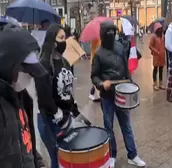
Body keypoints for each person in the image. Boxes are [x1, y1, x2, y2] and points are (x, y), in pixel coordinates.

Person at [91, 20, 146, 168]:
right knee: (109, 126)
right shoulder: (98, 54)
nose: (110, 34)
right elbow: (94, 76)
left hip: (122, 93)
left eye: (112, 31)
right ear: (103, 34)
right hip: (107, 96)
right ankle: (112, 155)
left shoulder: (120, 48)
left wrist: (130, 81)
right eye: (107, 32)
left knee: (126, 125)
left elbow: (125, 67)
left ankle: (132, 155)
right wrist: (102, 84)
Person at [36, 24, 81, 168]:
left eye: (65, 37)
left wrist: (74, 109)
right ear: (53, 42)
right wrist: (56, 113)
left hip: (66, 118)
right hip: (50, 120)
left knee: (68, 156)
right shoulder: (44, 64)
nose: (64, 41)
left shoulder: (64, 61)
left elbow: (67, 89)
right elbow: (44, 97)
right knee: (58, 158)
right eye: (61, 38)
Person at [0, 28, 46, 168]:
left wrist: (37, 162)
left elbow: (25, 140)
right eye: (27, 71)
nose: (30, 77)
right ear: (10, 67)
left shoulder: (22, 96)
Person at [149, 22, 166, 91]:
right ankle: (155, 84)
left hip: (162, 56)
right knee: (155, 70)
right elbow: (150, 45)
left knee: (161, 70)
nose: (161, 30)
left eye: (161, 29)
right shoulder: (153, 37)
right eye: (159, 29)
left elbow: (164, 44)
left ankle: (161, 84)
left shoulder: (162, 36)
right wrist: (156, 51)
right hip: (156, 56)